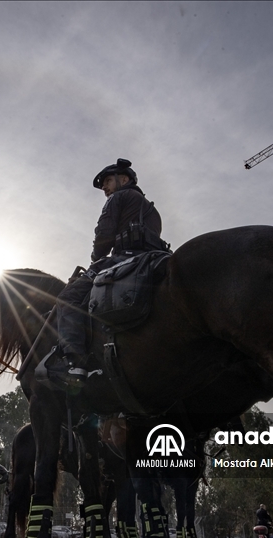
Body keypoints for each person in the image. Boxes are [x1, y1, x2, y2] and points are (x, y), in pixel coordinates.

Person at [49, 158, 167, 382]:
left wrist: (96, 257)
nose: (104, 187)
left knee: (67, 298)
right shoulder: (151, 208)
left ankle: (74, 363)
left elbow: (104, 234)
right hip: (154, 257)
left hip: (125, 258)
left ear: (124, 180)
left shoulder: (118, 197)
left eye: (107, 181)